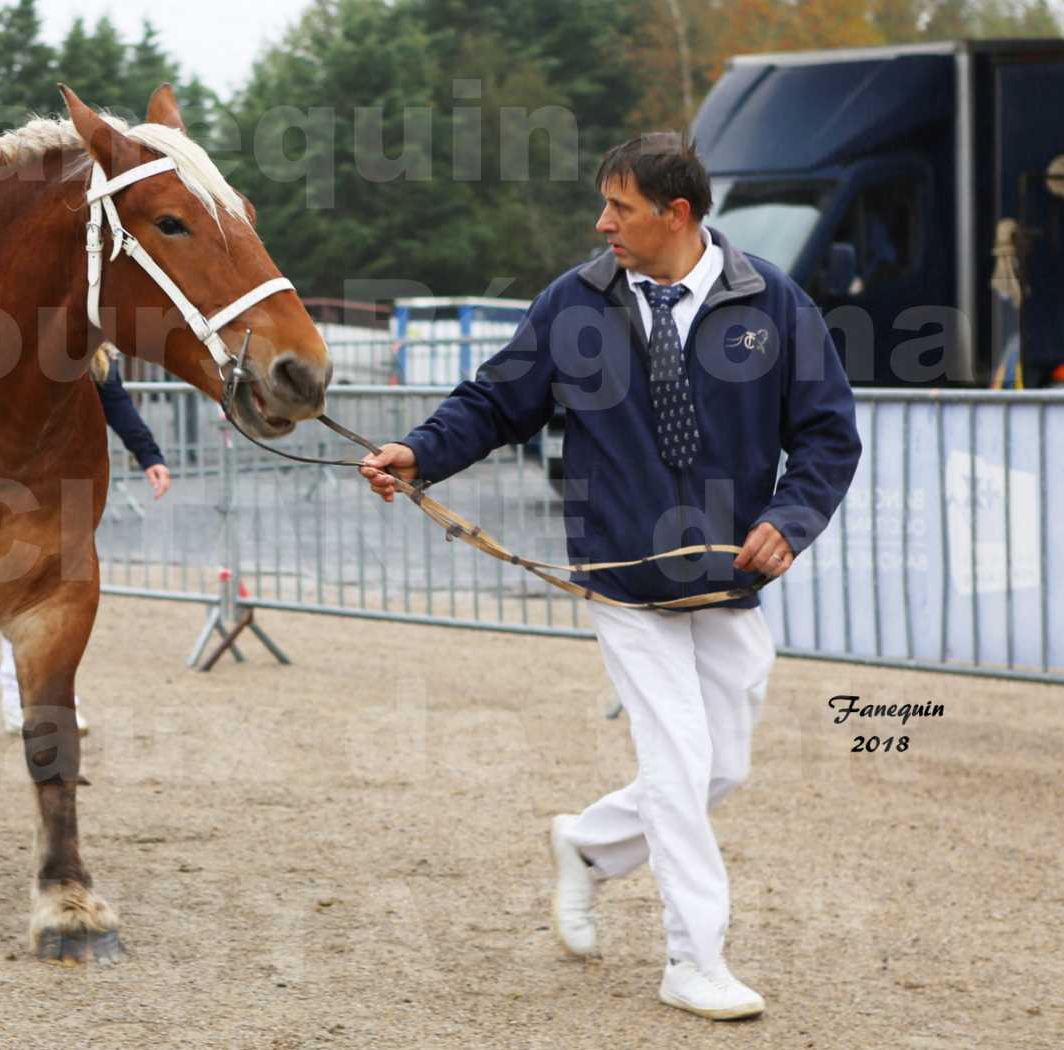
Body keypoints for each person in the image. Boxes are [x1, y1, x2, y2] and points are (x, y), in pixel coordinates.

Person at [359, 133, 860, 1021]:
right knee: (675, 760)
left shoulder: (770, 302)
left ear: (676, 214)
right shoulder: (573, 303)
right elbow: (495, 401)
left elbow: (825, 433)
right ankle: (692, 960)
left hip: (726, 574)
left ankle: (587, 846)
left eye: (619, 207)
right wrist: (419, 454)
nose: (601, 224)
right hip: (622, 574)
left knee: (721, 765)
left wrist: (789, 521)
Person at [0, 348, 172, 735]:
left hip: (73, 486)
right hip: (21, 483)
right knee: (20, 594)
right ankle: (16, 696)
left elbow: (119, 406)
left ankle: (60, 700)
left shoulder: (99, 358)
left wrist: (150, 457)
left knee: (67, 598)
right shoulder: (26, 348)